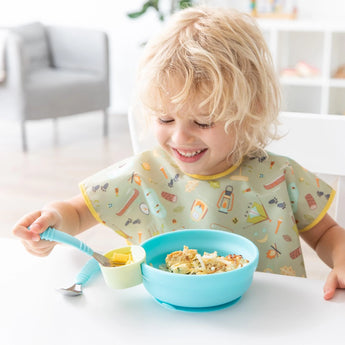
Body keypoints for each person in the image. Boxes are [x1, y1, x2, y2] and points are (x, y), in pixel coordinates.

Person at [12, 6, 345, 300]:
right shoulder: (143, 172)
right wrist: (52, 220)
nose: (180, 136)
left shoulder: (278, 176)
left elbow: (328, 235)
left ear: (250, 112)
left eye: (203, 121)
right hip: (167, 318)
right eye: (165, 118)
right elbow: (77, 212)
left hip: (271, 317)